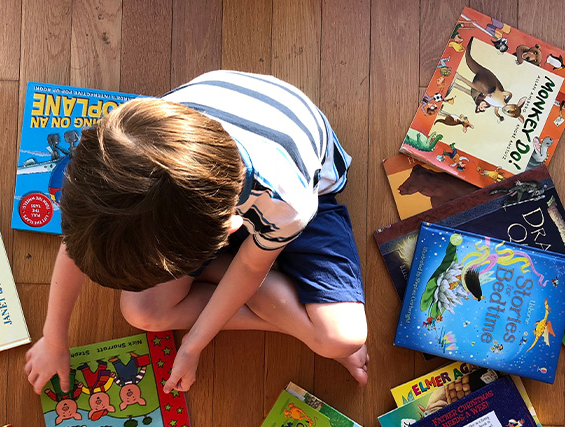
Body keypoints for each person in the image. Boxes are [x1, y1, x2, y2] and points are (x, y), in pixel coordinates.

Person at [24, 71, 368, 394]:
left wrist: (193, 344)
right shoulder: (116, 151)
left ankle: (249, 287)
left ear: (231, 230)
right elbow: (81, 234)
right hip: (199, 178)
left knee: (342, 339)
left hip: (300, 192)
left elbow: (250, 266)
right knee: (142, 312)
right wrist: (53, 337)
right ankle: (254, 291)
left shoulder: (287, 202)